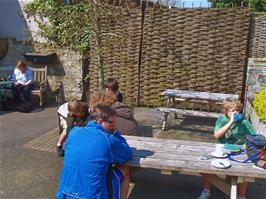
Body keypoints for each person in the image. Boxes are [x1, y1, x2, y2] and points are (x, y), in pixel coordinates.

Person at [56, 104, 133, 199]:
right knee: (125, 167)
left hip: (65, 193)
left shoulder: (73, 132)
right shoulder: (108, 140)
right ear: (100, 122)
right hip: (92, 196)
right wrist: (115, 133)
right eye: (111, 123)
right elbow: (127, 154)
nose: (115, 125)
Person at [198, 100, 256, 199]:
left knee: (244, 173)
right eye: (233, 110)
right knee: (206, 168)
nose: (236, 112)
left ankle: (241, 196)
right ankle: (206, 190)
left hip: (239, 151)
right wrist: (230, 122)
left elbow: (254, 138)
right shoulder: (222, 119)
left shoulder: (245, 122)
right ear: (226, 111)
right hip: (221, 150)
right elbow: (217, 135)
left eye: (237, 110)